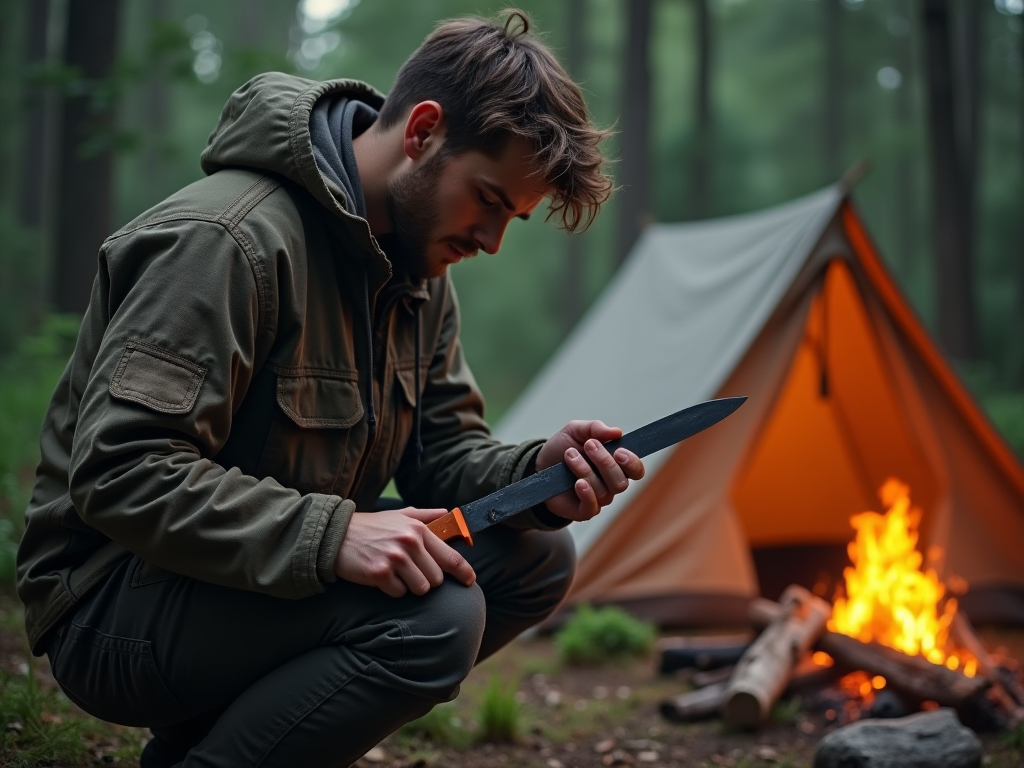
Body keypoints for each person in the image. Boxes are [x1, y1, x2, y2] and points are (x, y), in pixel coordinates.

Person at [17, 10, 644, 767]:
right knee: (436, 614)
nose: (491, 241)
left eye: (510, 218)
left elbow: (441, 455)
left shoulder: (416, 271)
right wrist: (333, 535)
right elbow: (120, 474)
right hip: (111, 604)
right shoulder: (227, 243)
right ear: (422, 132)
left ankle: (211, 745)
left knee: (534, 554)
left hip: (249, 578)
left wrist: (536, 476)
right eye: (486, 199)